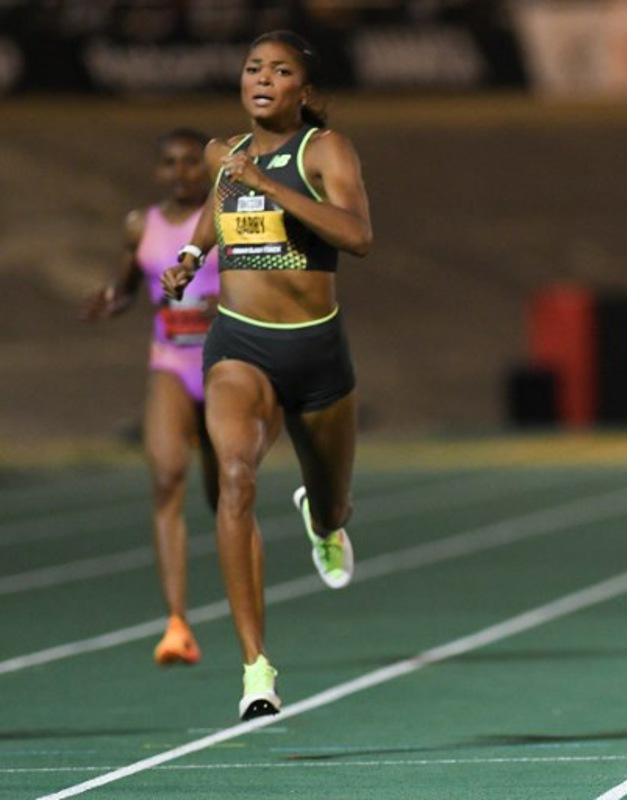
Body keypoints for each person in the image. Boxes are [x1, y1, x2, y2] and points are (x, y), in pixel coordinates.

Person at [162, 30, 372, 720]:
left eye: (280, 71)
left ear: (303, 93)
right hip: (239, 346)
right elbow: (218, 215)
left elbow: (357, 236)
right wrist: (192, 255)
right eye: (253, 67)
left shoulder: (324, 150)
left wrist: (265, 182)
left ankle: (324, 518)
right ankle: (257, 668)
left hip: (315, 352)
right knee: (235, 477)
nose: (262, 78)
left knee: (334, 501)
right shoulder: (229, 155)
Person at [82, 128, 221, 667]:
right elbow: (127, 288)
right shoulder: (142, 224)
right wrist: (109, 301)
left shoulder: (223, 218)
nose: (182, 172)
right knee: (166, 478)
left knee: (226, 486)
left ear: (206, 169)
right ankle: (177, 623)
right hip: (170, 362)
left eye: (192, 162)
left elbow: (256, 283)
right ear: (158, 170)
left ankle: (240, 586)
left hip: (223, 363)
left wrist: (225, 306)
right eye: (171, 163)